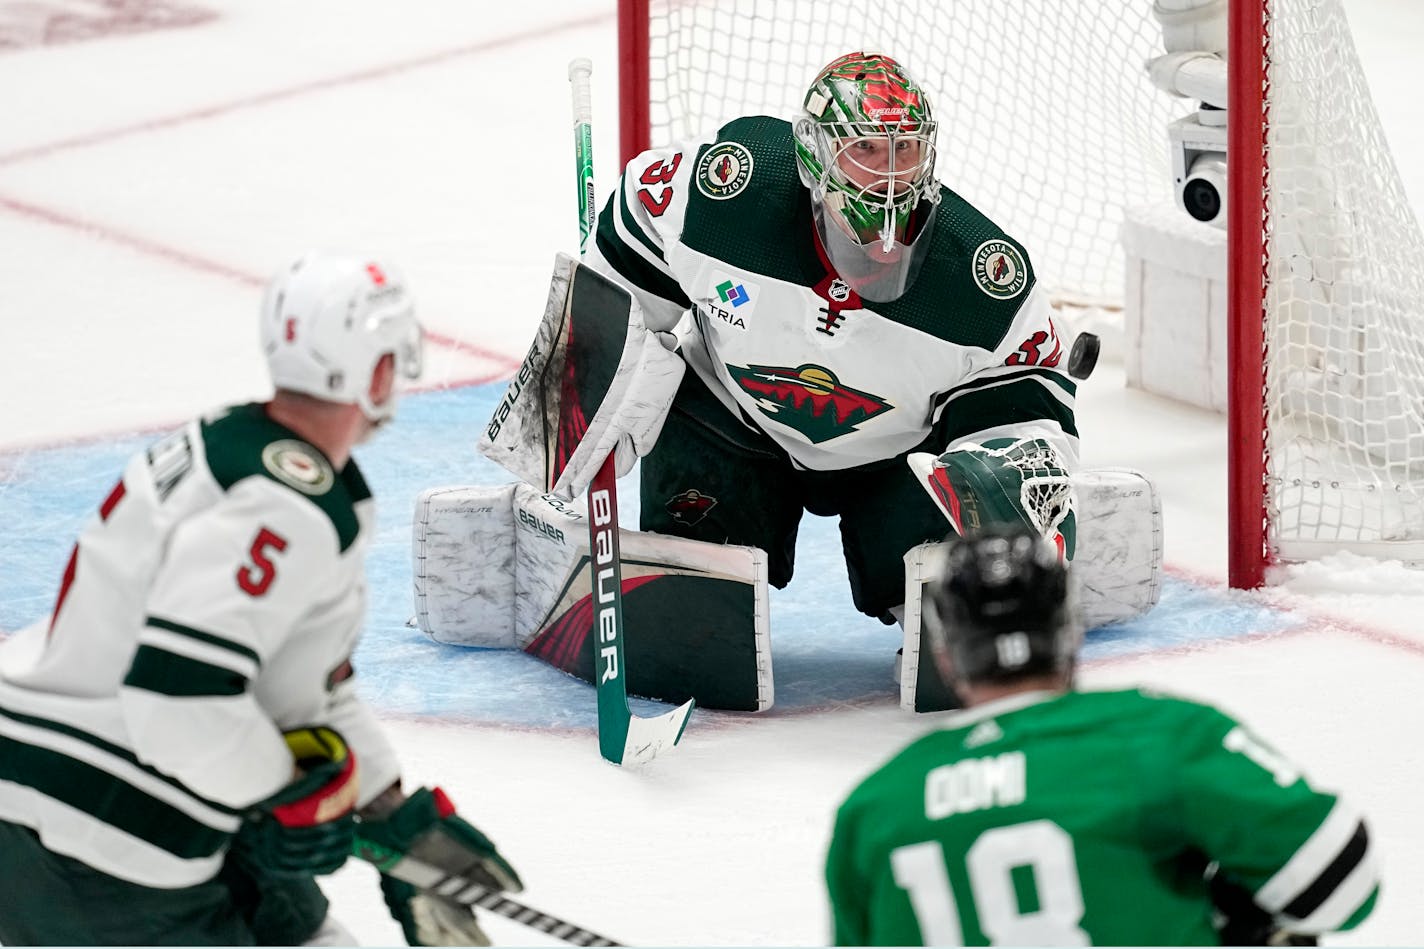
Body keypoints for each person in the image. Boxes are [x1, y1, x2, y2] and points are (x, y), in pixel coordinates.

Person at [0, 252, 519, 946]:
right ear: (373, 372)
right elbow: (177, 697)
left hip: (95, 785)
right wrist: (284, 801)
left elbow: (297, 690)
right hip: (93, 829)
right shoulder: (282, 508)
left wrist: (394, 814)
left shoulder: (249, 445)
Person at [583, 51, 1079, 631]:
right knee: (694, 616)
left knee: (955, 606)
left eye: (905, 148)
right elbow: (628, 242)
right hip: (736, 427)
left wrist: (1011, 491)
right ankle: (699, 570)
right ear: (814, 155)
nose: (889, 172)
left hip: (897, 460)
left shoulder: (984, 279)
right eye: (865, 148)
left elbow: (1032, 406)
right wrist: (594, 367)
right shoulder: (726, 194)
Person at [824, 527, 1380, 946]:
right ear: (1069, 631)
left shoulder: (876, 806)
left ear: (946, 657)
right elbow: (1343, 882)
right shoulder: (1161, 735)